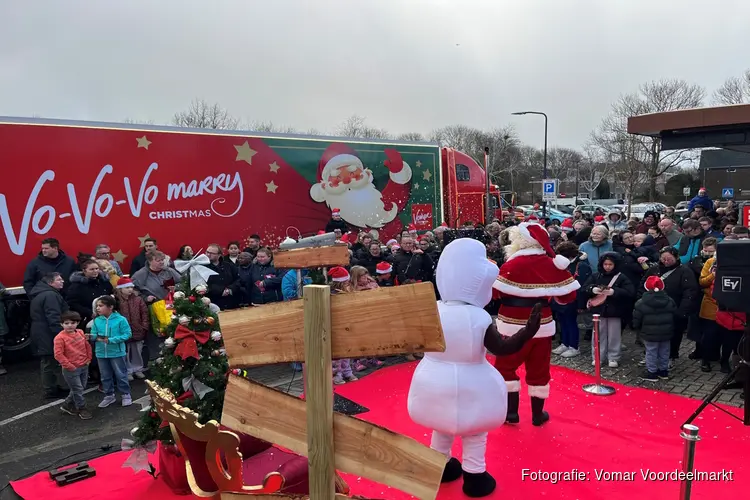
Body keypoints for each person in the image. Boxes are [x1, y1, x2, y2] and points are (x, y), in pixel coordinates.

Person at [407, 238, 543, 497]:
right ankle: (475, 477)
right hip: (472, 380)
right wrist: (527, 332)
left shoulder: (432, 309)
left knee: (441, 426)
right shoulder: (478, 317)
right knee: (475, 433)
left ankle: (441, 467)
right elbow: (502, 348)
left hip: (433, 378)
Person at [492, 223, 580, 426]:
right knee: (539, 369)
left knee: (506, 367)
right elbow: (568, 297)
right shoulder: (552, 264)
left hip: (511, 325)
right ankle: (538, 415)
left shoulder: (510, 266)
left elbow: (495, 293)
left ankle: (511, 413)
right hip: (542, 324)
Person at [581, 253, 635, 367]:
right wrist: (592, 289)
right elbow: (585, 288)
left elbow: (630, 292)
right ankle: (597, 356)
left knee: (614, 335)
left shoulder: (621, 277)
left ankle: (613, 357)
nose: (608, 267)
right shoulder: (596, 276)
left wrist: (614, 292)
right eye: (605, 264)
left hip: (615, 310)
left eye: (610, 264)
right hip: (599, 310)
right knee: (598, 335)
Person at [30, 272, 70, 399]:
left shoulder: (43, 293)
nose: (62, 281)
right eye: (59, 279)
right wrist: (62, 334)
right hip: (46, 332)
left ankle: (53, 386)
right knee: (49, 360)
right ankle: (51, 390)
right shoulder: (50, 295)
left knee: (50, 360)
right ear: (50, 283)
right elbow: (54, 316)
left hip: (41, 331)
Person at [551, 242, 591, 358]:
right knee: (562, 321)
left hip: (573, 298)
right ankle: (565, 343)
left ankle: (574, 346)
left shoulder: (581, 265)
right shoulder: (563, 264)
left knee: (571, 322)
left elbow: (582, 285)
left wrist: (580, 304)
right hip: (560, 297)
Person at [91, 296, 133, 408]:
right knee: (105, 376)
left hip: (117, 352)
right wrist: (91, 336)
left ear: (110, 307)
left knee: (121, 374)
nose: (98, 308)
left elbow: (127, 334)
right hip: (101, 352)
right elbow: (94, 333)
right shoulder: (97, 320)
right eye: (97, 306)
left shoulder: (121, 320)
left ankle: (126, 394)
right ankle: (109, 395)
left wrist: (111, 340)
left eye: (101, 306)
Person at [632, 276, 676, 382]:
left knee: (651, 351)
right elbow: (675, 315)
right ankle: (663, 371)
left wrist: (636, 327)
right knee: (664, 351)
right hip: (666, 332)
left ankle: (652, 372)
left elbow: (637, 318)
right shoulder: (669, 301)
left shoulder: (641, 303)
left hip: (649, 333)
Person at [53, 311, 93, 419]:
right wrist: (69, 366)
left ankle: (67, 404)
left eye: (72, 323)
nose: (70, 325)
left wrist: (88, 359)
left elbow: (87, 346)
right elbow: (58, 355)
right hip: (71, 369)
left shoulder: (80, 332)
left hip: (84, 365)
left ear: (77, 323)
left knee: (80, 387)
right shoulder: (59, 338)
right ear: (61, 324)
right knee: (78, 389)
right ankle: (81, 408)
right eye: (66, 323)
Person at [114, 277, 149, 380]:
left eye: (131, 287)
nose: (130, 290)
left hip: (138, 329)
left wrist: (144, 327)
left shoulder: (138, 300)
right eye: (127, 287)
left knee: (137, 351)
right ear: (120, 289)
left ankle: (138, 369)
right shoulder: (116, 301)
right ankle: (128, 370)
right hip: (123, 331)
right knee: (126, 352)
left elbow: (144, 313)